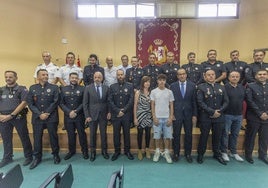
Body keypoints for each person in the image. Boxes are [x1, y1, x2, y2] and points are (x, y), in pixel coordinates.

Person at [27, 69, 61, 169]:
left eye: (47, 74)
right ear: (38, 77)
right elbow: (30, 103)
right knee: (37, 138)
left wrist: (46, 113)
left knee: (53, 137)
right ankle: (37, 157)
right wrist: (39, 114)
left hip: (51, 117)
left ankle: (55, 154)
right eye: (43, 75)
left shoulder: (54, 87)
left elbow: (56, 101)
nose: (46, 76)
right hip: (37, 118)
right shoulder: (33, 88)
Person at [0, 71, 33, 168]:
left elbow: (24, 103)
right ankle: (7, 158)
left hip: (18, 116)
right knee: (6, 138)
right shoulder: (1, 89)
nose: (8, 79)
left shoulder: (22, 89)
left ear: (16, 78)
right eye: (6, 77)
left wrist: (11, 115)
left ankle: (28, 156)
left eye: (10, 77)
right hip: (3, 118)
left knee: (24, 136)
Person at [196, 69, 229, 165]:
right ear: (205, 76)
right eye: (208, 75)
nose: (211, 76)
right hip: (206, 117)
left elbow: (226, 101)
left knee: (217, 137)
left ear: (215, 76)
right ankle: (201, 154)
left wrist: (219, 111)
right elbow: (200, 102)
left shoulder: (221, 87)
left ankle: (217, 154)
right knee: (204, 136)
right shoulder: (201, 87)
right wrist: (212, 111)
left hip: (219, 116)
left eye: (212, 74)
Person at [170, 68, 197, 163]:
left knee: (188, 135)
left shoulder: (192, 85)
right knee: (176, 134)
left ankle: (188, 154)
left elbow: (194, 101)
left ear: (186, 75)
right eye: (179, 74)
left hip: (189, 114)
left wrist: (194, 115)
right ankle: (176, 153)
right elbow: (171, 102)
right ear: (177, 76)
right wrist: (171, 114)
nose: (182, 76)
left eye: (183, 74)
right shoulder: (172, 86)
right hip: (176, 114)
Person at [59, 72, 89, 161]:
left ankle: (85, 151)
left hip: (79, 116)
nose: (74, 79)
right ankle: (71, 151)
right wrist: (69, 112)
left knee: (81, 134)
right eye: (72, 78)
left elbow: (84, 102)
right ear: (69, 78)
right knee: (70, 134)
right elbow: (61, 103)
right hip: (68, 116)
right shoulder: (64, 89)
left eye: (76, 78)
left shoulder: (83, 88)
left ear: (78, 79)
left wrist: (76, 111)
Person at [83, 72, 110, 161]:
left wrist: (109, 112)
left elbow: (108, 102)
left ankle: (104, 151)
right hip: (92, 115)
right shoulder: (88, 88)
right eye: (95, 77)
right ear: (93, 78)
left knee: (103, 134)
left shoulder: (106, 88)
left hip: (103, 115)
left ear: (102, 78)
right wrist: (87, 116)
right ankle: (93, 152)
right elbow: (85, 103)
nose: (97, 78)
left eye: (99, 77)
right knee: (92, 135)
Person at [108, 69, 134, 161]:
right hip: (116, 115)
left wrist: (123, 110)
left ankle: (127, 151)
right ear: (116, 76)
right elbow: (110, 100)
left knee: (127, 134)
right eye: (118, 75)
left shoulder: (130, 86)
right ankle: (117, 151)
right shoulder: (112, 87)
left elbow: (131, 100)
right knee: (116, 134)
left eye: (121, 74)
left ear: (124, 75)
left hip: (126, 115)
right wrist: (117, 111)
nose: (120, 76)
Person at [220, 71, 245, 162]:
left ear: (239, 78)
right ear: (229, 78)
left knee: (235, 134)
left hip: (238, 115)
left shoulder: (242, 88)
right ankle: (224, 152)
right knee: (225, 134)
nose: (235, 78)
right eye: (233, 76)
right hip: (227, 114)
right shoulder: (224, 87)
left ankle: (233, 152)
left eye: (237, 76)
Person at [245, 69, 268, 164]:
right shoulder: (250, 86)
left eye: (264, 74)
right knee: (251, 137)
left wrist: (266, 113)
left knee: (264, 137)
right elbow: (249, 101)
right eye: (260, 74)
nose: (262, 76)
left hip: (266, 117)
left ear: (267, 76)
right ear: (255, 76)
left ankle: (263, 155)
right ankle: (248, 155)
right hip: (254, 116)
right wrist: (260, 113)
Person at [150, 74, 174, 163]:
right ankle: (157, 151)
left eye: (163, 80)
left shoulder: (169, 92)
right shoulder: (153, 92)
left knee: (167, 136)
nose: (162, 81)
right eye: (160, 80)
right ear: (157, 81)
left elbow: (171, 105)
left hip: (167, 118)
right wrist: (154, 117)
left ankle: (166, 152)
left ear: (165, 81)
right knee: (157, 136)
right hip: (157, 118)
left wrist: (171, 117)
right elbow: (152, 105)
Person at [133, 76, 152, 160]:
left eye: (148, 82)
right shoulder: (138, 92)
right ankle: (140, 150)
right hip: (140, 115)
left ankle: (147, 149)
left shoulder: (151, 92)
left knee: (148, 134)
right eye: (145, 82)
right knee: (140, 134)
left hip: (148, 115)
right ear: (142, 83)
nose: (147, 83)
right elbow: (135, 105)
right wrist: (135, 118)